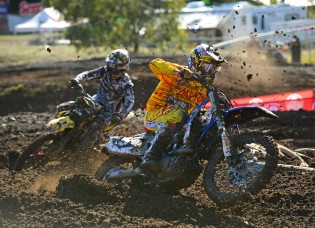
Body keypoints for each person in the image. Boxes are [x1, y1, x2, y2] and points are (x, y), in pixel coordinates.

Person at [141, 44, 227, 171]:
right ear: (195, 63)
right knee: (177, 112)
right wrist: (178, 73)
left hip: (178, 122)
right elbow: (154, 63)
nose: (210, 71)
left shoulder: (204, 87)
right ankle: (150, 156)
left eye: (214, 68)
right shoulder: (180, 72)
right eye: (207, 66)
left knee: (203, 122)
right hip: (154, 116)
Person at [69, 49, 135, 152]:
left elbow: (130, 101)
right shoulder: (104, 71)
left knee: (94, 126)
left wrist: (120, 115)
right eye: (110, 63)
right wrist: (77, 79)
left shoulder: (126, 82)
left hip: (109, 110)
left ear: (122, 67)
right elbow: (88, 74)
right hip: (96, 100)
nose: (110, 67)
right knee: (73, 107)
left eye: (114, 65)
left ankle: (80, 155)